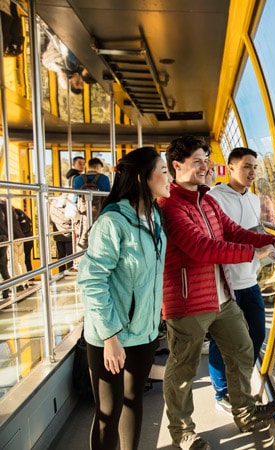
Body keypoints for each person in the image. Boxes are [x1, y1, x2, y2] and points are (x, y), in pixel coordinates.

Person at [158, 135, 275, 449]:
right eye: (198, 161)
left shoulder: (206, 199)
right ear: (177, 165)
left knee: (243, 349)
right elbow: (201, 248)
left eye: (206, 159)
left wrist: (267, 243)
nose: (206, 166)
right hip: (188, 301)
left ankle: (244, 412)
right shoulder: (169, 204)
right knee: (183, 370)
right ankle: (183, 433)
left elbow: (234, 232)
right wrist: (252, 254)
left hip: (221, 295)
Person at [76, 147, 170, 450]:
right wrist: (111, 337)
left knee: (133, 401)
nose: (169, 177)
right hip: (110, 335)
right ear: (144, 177)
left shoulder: (154, 215)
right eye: (164, 171)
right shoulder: (113, 222)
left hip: (144, 331)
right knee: (108, 411)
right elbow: (92, 280)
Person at [206, 147, 275, 414]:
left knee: (256, 334)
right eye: (247, 166)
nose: (252, 172)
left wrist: (271, 242)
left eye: (255, 167)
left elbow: (253, 232)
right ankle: (222, 392)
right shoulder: (215, 197)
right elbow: (219, 238)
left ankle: (238, 387)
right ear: (231, 167)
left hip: (249, 277)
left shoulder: (254, 199)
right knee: (222, 340)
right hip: (225, 281)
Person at [73, 157, 111, 252]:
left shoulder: (78, 179)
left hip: (84, 213)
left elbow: (75, 198)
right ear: (98, 168)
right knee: (100, 235)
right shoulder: (104, 178)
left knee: (83, 237)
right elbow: (108, 197)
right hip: (100, 212)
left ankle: (79, 262)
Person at [49, 194, 76, 272]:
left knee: (61, 258)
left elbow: (51, 219)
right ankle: (70, 275)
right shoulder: (70, 201)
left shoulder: (53, 203)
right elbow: (72, 216)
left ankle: (61, 274)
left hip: (58, 234)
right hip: (69, 234)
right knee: (70, 258)